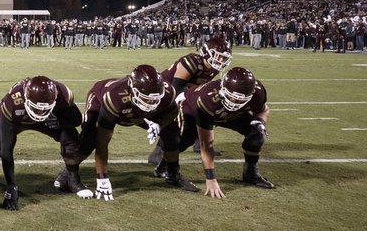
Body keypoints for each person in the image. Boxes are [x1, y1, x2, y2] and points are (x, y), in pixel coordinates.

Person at [71, 64, 198, 199]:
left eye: (155, 99)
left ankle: (173, 174)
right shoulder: (115, 97)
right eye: (146, 98)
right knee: (90, 140)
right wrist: (102, 179)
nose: (150, 103)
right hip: (103, 103)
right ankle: (69, 174)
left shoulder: (167, 92)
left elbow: (173, 111)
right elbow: (102, 141)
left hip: (136, 110)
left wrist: (159, 125)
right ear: (133, 90)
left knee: (172, 131)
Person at [0, 75, 82, 211]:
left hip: (47, 121)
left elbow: (77, 119)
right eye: (37, 107)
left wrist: (60, 122)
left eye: (44, 107)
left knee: (70, 137)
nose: (40, 111)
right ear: (26, 98)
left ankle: (73, 178)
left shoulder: (63, 93)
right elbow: (6, 150)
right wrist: (11, 186)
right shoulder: (13, 101)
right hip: (18, 118)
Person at [172, 66, 274, 197]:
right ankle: (166, 167)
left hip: (227, 114)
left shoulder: (258, 92)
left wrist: (261, 122)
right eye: (232, 97)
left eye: (240, 100)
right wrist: (210, 179)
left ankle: (250, 173)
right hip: (192, 107)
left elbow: (263, 110)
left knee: (257, 134)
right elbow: (206, 144)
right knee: (185, 139)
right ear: (223, 88)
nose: (234, 102)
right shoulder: (207, 99)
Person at [149, 35, 233, 168]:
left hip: (185, 92)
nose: (221, 60)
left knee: (204, 109)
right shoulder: (191, 62)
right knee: (177, 118)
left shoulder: (213, 67)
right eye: (218, 56)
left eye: (224, 58)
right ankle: (158, 152)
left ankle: (199, 143)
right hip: (165, 93)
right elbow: (176, 90)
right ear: (206, 52)